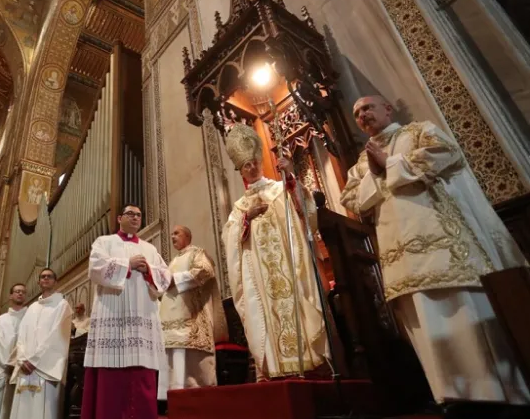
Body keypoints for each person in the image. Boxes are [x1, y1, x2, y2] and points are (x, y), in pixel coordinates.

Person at [340, 95, 529, 407]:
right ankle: (450, 396)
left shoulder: (419, 132)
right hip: (399, 253)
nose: (362, 115)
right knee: (423, 319)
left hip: (444, 242)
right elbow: (352, 200)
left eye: (368, 108)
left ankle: (498, 393)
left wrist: (389, 164)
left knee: (461, 307)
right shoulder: (360, 163)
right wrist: (374, 172)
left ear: (387, 108)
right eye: (357, 112)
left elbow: (446, 153)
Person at [221, 123, 328, 380]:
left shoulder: (280, 189)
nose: (251, 167)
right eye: (245, 165)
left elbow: (306, 214)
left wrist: (291, 177)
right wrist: (247, 219)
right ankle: (274, 370)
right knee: (265, 315)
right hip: (260, 277)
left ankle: (309, 367)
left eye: (253, 162)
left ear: (260, 160)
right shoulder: (239, 208)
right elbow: (230, 241)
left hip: (289, 267)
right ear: (240, 172)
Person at [81, 204, 172, 419]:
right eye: (130, 214)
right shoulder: (104, 242)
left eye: (139, 215)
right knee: (111, 384)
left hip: (142, 317)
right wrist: (127, 264)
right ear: (120, 217)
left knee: (141, 379)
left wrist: (148, 269)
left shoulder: (150, 249)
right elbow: (95, 269)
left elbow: (165, 277)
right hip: (112, 313)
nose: (135, 218)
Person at [158, 225, 228, 401]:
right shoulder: (173, 261)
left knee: (186, 354)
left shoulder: (198, 253)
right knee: (172, 354)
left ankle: (195, 395)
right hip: (170, 316)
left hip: (190, 316)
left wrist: (177, 279)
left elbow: (205, 271)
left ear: (187, 236)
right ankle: (172, 398)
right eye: (171, 234)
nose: (172, 237)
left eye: (176, 233)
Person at [9, 269, 73, 419]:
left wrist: (35, 360)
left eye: (49, 276)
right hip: (26, 366)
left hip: (45, 368)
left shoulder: (62, 305)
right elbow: (22, 336)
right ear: (38, 282)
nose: (45, 278)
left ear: (55, 282)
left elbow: (57, 336)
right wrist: (22, 358)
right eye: (42, 277)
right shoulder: (32, 308)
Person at [0, 283, 27, 419]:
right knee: (0, 409)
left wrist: (18, 364)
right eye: (17, 291)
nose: (20, 293)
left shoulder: (30, 318)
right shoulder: (1, 320)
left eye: (22, 291)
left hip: (22, 370)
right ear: (11, 295)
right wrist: (7, 364)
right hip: (3, 370)